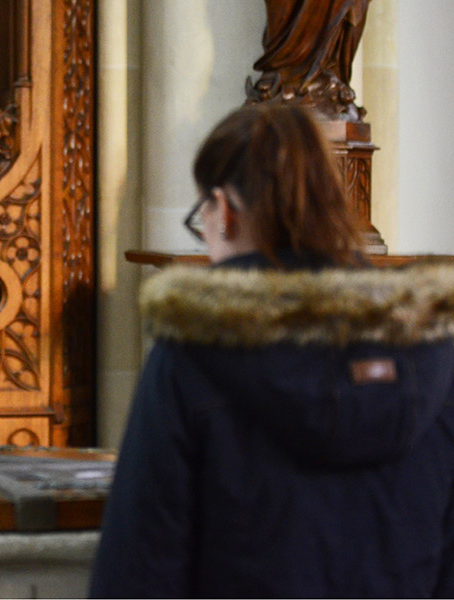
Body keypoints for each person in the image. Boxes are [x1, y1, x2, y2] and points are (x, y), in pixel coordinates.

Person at [90, 103, 454, 597]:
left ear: (225, 209)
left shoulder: (196, 351)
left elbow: (141, 565)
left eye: (202, 215)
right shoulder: (432, 348)